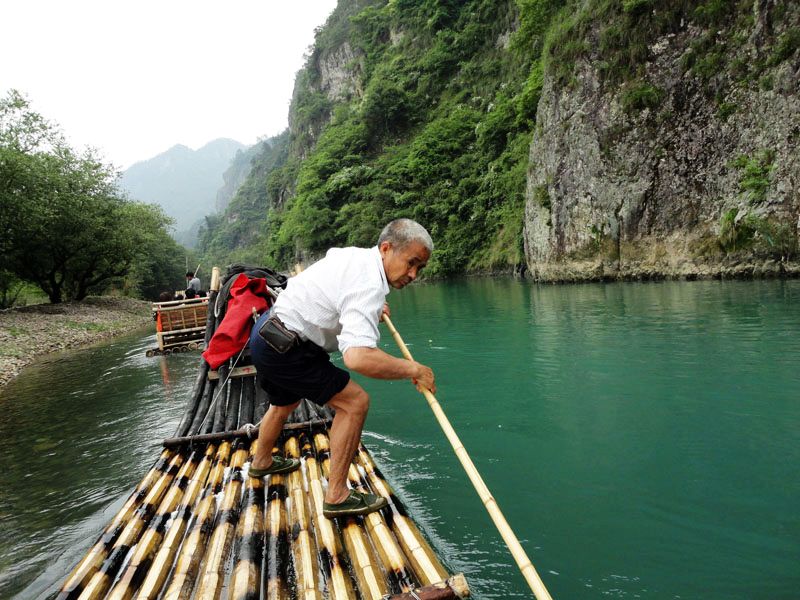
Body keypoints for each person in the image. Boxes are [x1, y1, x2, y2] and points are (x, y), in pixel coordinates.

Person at [248, 218, 436, 519]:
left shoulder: (355, 257)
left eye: (419, 268)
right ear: (386, 248)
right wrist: (414, 369)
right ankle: (336, 495)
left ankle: (261, 463)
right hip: (290, 349)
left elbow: (341, 295)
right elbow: (358, 357)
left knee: (285, 402)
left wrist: (371, 309)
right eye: (411, 263)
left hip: (266, 334)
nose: (413, 274)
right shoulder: (369, 284)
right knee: (355, 402)